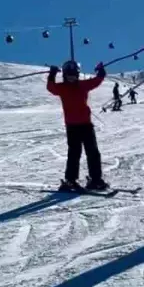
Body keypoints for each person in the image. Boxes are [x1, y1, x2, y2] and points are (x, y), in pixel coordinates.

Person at [46, 59, 109, 191]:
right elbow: (51, 87)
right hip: (72, 126)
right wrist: (52, 74)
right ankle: (70, 180)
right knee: (74, 153)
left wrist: (101, 71)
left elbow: (97, 81)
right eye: (69, 76)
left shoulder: (83, 85)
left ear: (77, 75)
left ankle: (96, 180)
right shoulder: (62, 87)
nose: (71, 78)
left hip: (86, 125)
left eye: (74, 75)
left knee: (93, 152)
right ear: (64, 75)